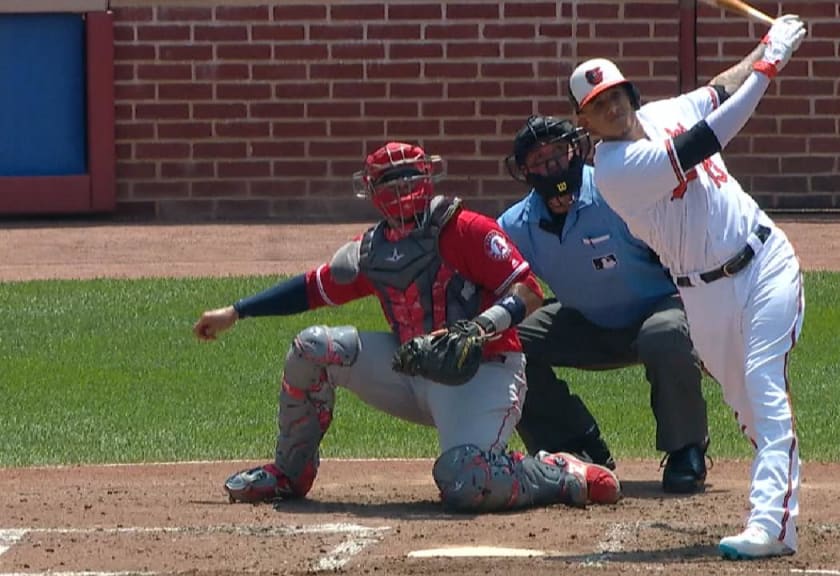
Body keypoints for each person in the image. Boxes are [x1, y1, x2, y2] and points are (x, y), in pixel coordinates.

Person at [192, 141, 620, 513]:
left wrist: (477, 328)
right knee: (314, 348)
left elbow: (528, 290)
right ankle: (289, 471)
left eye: (407, 179)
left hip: (483, 373)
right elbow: (310, 289)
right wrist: (237, 311)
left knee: (467, 481)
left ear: (428, 178)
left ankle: (558, 472)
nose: (400, 191)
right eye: (390, 183)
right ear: (371, 190)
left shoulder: (465, 228)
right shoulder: (374, 249)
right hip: (412, 370)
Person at [566, 15, 807, 560]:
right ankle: (781, 521)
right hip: (702, 296)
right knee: (745, 405)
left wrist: (763, 50)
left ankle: (769, 522)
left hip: (767, 260)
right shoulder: (615, 170)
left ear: (628, 91)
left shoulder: (662, 113)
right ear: (584, 120)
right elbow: (708, 137)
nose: (613, 108)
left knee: (762, 385)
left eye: (616, 95)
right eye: (598, 106)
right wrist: (770, 67)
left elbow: (719, 89)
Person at [497, 115, 710, 494]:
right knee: (505, 345)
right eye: (539, 160)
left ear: (576, 151)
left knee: (665, 333)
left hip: (657, 309)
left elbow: (685, 251)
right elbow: (494, 279)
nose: (552, 168)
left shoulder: (619, 194)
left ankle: (686, 448)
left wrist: (709, 323)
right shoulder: (516, 224)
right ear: (524, 171)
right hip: (585, 320)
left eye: (558, 155)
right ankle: (575, 445)